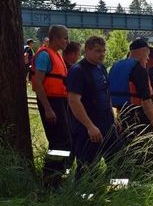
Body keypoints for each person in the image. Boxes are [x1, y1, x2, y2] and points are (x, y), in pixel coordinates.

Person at [66, 36, 120, 180]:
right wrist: (90, 126)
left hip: (107, 123)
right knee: (87, 166)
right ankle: (83, 198)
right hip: (88, 126)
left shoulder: (101, 68)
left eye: (103, 51)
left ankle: (116, 194)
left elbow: (106, 93)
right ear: (87, 50)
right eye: (97, 51)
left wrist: (113, 117)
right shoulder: (78, 71)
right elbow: (74, 101)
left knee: (117, 161)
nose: (101, 54)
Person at [109, 38, 153, 177]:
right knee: (148, 151)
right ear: (144, 51)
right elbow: (146, 100)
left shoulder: (116, 66)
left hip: (121, 114)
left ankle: (122, 183)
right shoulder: (139, 69)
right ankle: (146, 182)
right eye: (148, 52)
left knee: (125, 151)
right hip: (138, 115)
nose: (148, 56)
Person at [30, 25, 71, 189]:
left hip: (60, 101)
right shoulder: (45, 55)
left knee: (65, 140)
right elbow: (37, 83)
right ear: (54, 37)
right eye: (64, 38)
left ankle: (58, 178)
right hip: (51, 102)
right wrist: (47, 108)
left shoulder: (57, 55)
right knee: (59, 141)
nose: (67, 41)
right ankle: (50, 181)